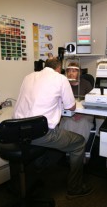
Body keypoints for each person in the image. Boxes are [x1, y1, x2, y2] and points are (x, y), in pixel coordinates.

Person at [13, 57, 93, 199]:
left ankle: (39, 168)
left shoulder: (29, 77)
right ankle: (75, 188)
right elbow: (71, 106)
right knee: (79, 143)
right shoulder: (60, 79)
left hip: (18, 131)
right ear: (60, 69)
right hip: (41, 133)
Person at [59, 62, 94, 142]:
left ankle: (79, 146)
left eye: (74, 71)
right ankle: (69, 147)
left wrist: (80, 114)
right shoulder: (64, 85)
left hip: (85, 114)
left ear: (79, 72)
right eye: (69, 71)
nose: (71, 73)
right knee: (68, 122)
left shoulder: (86, 84)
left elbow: (91, 103)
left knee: (82, 123)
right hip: (68, 113)